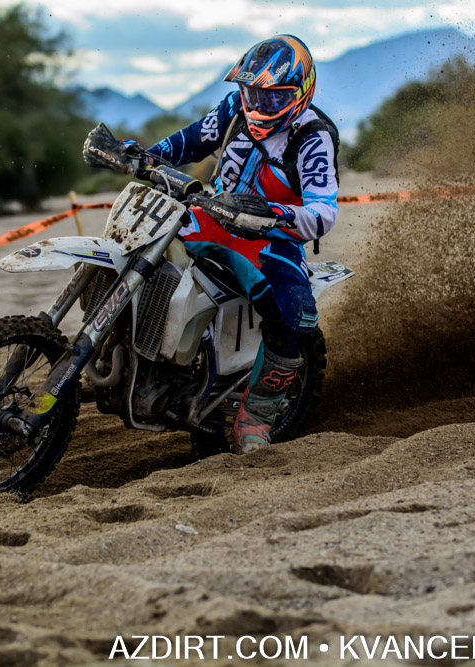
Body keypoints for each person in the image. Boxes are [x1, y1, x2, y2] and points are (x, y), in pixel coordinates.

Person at [128, 35, 339, 454]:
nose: (260, 104)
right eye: (252, 93)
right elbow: (191, 140)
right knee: (136, 248)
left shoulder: (314, 136)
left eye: (273, 96)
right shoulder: (234, 108)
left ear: (301, 92)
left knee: (296, 316)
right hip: (209, 215)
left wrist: (272, 213)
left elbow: (323, 213)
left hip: (268, 238)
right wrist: (142, 157)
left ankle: (256, 417)